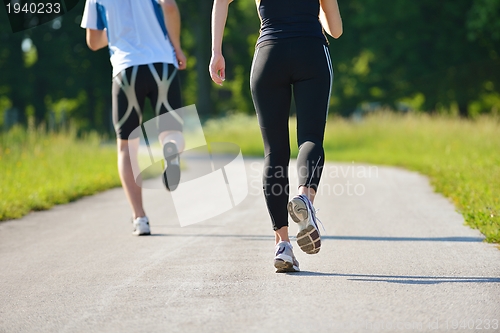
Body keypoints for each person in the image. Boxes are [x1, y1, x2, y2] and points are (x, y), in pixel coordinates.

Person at [210, 0, 342, 272]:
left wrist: (216, 53)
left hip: (269, 54)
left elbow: (220, 1)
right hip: (311, 51)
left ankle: (282, 244)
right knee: (310, 138)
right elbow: (336, 30)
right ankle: (305, 197)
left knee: (275, 152)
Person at [81, 0, 187, 236]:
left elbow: (94, 42)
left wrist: (120, 31)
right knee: (171, 132)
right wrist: (177, 48)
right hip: (162, 64)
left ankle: (140, 218)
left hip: (126, 69)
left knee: (126, 148)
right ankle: (170, 149)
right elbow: (169, 6)